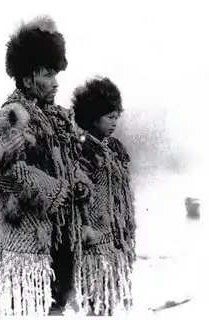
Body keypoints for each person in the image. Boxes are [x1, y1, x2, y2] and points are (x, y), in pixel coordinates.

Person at [0, 15, 92, 316]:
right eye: (48, 75)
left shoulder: (57, 117)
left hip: (62, 238)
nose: (55, 83)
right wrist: (54, 190)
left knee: (59, 305)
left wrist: (79, 180)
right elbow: (3, 170)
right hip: (28, 238)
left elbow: (71, 161)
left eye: (56, 75)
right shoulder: (13, 115)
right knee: (30, 306)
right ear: (28, 78)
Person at [70, 77, 136, 316]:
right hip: (93, 243)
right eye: (110, 117)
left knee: (108, 302)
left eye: (117, 116)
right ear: (92, 116)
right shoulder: (82, 150)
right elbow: (78, 193)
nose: (115, 122)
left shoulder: (114, 148)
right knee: (94, 302)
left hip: (113, 240)